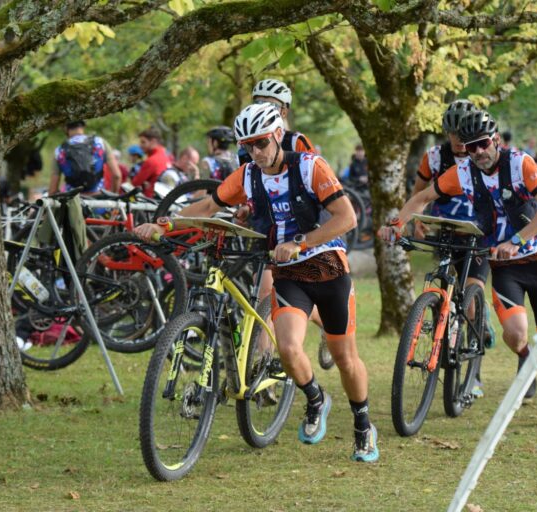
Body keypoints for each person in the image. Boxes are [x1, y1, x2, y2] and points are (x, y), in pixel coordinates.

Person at [134, 103, 379, 461]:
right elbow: (206, 207)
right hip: (289, 276)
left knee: (346, 359)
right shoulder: (248, 175)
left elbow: (347, 217)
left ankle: (363, 425)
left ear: (279, 134)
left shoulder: (311, 166)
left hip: (328, 270)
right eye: (248, 145)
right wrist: (165, 225)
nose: (256, 152)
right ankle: (316, 399)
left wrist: (301, 243)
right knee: (288, 349)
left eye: (262, 142)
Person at [379, 109, 537, 428]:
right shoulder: (463, 173)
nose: (479, 152)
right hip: (503, 266)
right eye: (471, 147)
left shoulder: (519, 163)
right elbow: (423, 196)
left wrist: (518, 240)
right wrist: (397, 223)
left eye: (483, 144)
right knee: (515, 334)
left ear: (495, 139)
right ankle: (526, 360)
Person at [411, 99, 494, 397]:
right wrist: (417, 221)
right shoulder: (433, 157)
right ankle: (441, 335)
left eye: (462, 133)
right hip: (447, 233)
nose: (458, 140)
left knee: (471, 297)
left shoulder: (483, 155)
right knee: (445, 289)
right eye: (452, 134)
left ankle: (475, 372)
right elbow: (419, 192)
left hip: (478, 237)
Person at [248, 78, 330, 368]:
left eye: (269, 105)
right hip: (266, 230)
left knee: (270, 295)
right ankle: (265, 363)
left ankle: (265, 361)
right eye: (256, 102)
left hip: (298, 235)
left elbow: (315, 185)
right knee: (267, 296)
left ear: (283, 112)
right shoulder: (247, 142)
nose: (261, 109)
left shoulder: (296, 142)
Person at [49, 120, 120, 195]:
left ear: (65, 128)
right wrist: (113, 196)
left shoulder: (59, 151)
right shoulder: (100, 143)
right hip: (99, 199)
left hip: (73, 201)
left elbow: (53, 190)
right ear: (83, 126)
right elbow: (117, 175)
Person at [131, 127, 171, 198]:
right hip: (164, 200)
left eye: (143, 142)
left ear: (153, 141)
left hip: (151, 201)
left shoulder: (152, 160)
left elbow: (135, 183)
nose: (140, 145)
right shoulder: (167, 156)